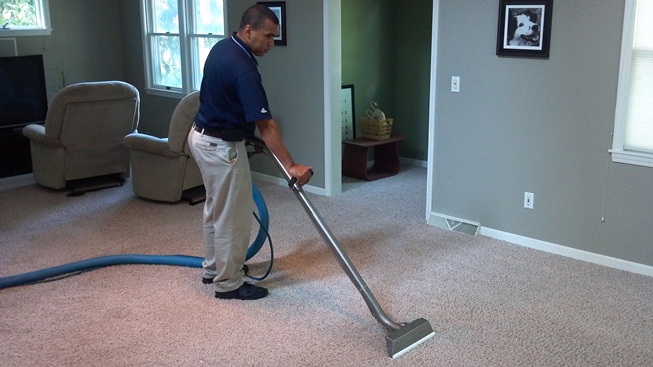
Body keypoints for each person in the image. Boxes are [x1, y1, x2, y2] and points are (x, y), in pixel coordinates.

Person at [188, 4, 313, 300]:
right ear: (248, 31)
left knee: (216, 208)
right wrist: (292, 165)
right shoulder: (243, 68)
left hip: (202, 136)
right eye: (268, 37)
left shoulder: (223, 47)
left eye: (274, 37)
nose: (271, 44)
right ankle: (228, 282)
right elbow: (266, 125)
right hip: (221, 146)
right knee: (234, 216)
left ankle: (213, 268)